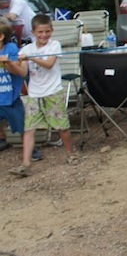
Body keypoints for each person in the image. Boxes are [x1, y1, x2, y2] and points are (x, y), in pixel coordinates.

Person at [10, 14, 78, 178]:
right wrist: (10, 64)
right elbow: (23, 72)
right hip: (35, 94)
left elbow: (49, 64)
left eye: (47, 31)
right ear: (33, 32)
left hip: (53, 92)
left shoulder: (54, 45)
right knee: (29, 129)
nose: (44, 35)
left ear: (51, 31)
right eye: (40, 32)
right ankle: (25, 164)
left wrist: (32, 58)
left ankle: (70, 154)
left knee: (63, 127)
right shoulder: (27, 49)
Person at [0, 21, 28, 166]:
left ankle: (30, 149)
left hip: (10, 96)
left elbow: (19, 71)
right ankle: (2, 140)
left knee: (21, 124)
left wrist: (7, 63)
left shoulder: (10, 48)